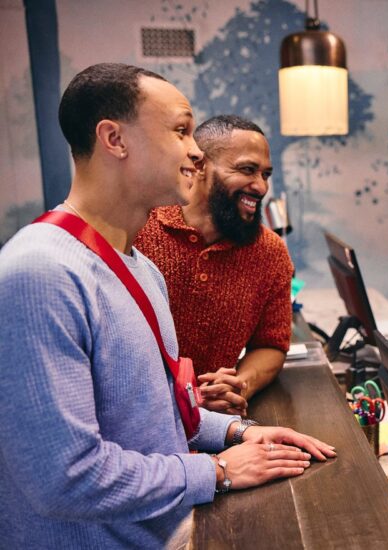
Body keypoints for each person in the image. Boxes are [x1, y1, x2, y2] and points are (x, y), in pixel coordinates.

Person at [0, 63, 335, 548]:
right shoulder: (38, 273)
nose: (196, 150)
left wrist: (240, 433)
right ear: (114, 139)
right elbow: (66, 477)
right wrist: (216, 470)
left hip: (163, 527)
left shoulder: (138, 267)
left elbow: (159, 415)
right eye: (180, 131)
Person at [135, 115, 291, 416]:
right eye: (247, 170)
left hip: (213, 423)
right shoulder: (140, 229)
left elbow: (271, 345)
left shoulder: (271, 254)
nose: (260, 187)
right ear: (200, 165)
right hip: (135, 420)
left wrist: (239, 384)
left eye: (266, 175)